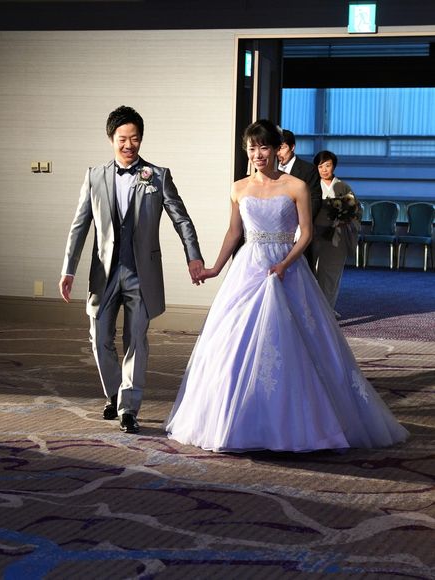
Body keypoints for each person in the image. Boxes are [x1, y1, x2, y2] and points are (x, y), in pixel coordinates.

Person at [165, 119, 408, 453]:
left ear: (276, 150)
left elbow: (305, 233)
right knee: (233, 343)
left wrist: (285, 263)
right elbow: (234, 233)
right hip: (249, 268)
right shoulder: (238, 188)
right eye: (252, 148)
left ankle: (305, 425)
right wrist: (215, 268)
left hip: (287, 268)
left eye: (263, 147)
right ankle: (235, 422)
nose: (258, 154)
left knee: (295, 342)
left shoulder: (296, 186)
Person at [59, 105, 204, 434]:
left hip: (142, 274)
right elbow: (80, 226)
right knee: (99, 338)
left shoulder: (158, 176)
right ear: (111, 139)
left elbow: (181, 219)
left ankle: (128, 408)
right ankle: (114, 393)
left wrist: (193, 256)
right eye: (122, 139)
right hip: (104, 274)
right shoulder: (94, 176)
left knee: (136, 339)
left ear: (141, 139)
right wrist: (68, 269)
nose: (128, 145)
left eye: (134, 138)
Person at [312, 150, 362, 315]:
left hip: (337, 235)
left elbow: (356, 210)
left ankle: (327, 309)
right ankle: (315, 308)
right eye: (320, 166)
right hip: (315, 234)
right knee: (313, 272)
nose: (324, 169)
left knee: (332, 273)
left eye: (328, 165)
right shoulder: (312, 186)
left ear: (334, 166)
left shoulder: (343, 186)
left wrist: (345, 218)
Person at [278, 129, 322, 271]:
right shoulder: (270, 170)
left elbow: (315, 199)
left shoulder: (308, 169)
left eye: (282, 147)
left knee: (301, 272)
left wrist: (301, 225)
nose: (278, 152)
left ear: (292, 147)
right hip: (277, 230)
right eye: (276, 148)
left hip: (299, 229)